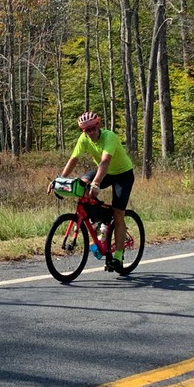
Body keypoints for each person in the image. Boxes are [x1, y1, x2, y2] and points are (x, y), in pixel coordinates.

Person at [58, 111, 135, 273]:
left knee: (118, 213)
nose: (91, 132)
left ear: (98, 125)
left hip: (123, 174)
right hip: (104, 171)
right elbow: (73, 159)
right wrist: (60, 179)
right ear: (83, 131)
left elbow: (105, 161)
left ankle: (118, 256)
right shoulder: (84, 139)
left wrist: (97, 183)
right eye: (86, 130)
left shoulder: (109, 137)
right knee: (82, 186)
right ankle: (101, 221)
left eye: (93, 128)